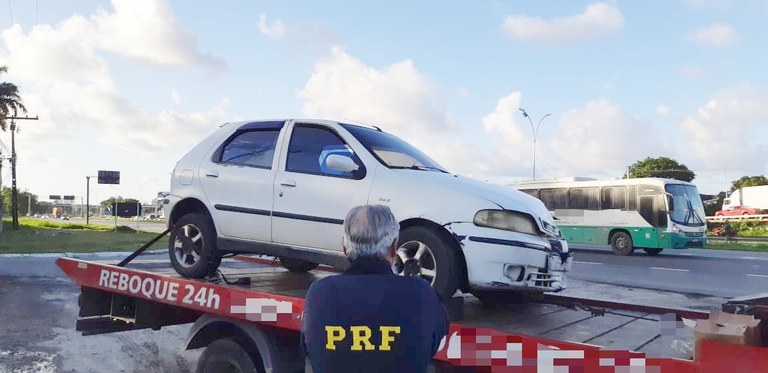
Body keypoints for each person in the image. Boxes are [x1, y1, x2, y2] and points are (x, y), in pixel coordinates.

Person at [301, 205, 449, 373]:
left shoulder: (319, 294)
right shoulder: (422, 294)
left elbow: (308, 346)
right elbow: (436, 339)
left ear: (344, 248)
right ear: (394, 248)